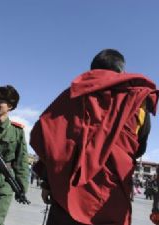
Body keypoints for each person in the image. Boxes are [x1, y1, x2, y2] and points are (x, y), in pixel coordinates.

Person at [30, 49, 158, 225]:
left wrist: (46, 183)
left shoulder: (72, 96)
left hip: (68, 195)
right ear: (121, 72)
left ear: (91, 70)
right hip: (110, 199)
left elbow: (51, 142)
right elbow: (139, 147)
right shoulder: (137, 103)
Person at [0, 85, 29, 225]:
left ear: (11, 106)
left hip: (5, 181)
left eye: (1, 100)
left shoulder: (16, 131)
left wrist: (21, 188)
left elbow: (21, 162)